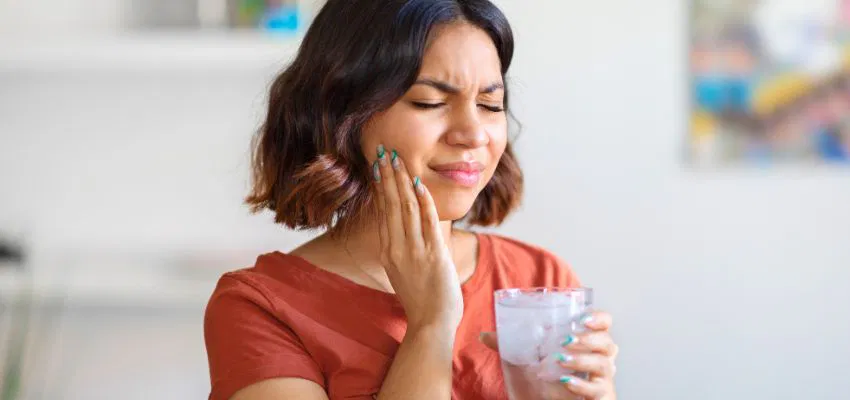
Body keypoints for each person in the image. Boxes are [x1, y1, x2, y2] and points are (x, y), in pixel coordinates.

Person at [203, 1, 619, 399]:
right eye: (430, 102)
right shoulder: (259, 307)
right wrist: (431, 325)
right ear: (342, 114)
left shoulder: (540, 279)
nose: (473, 134)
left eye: (490, 105)